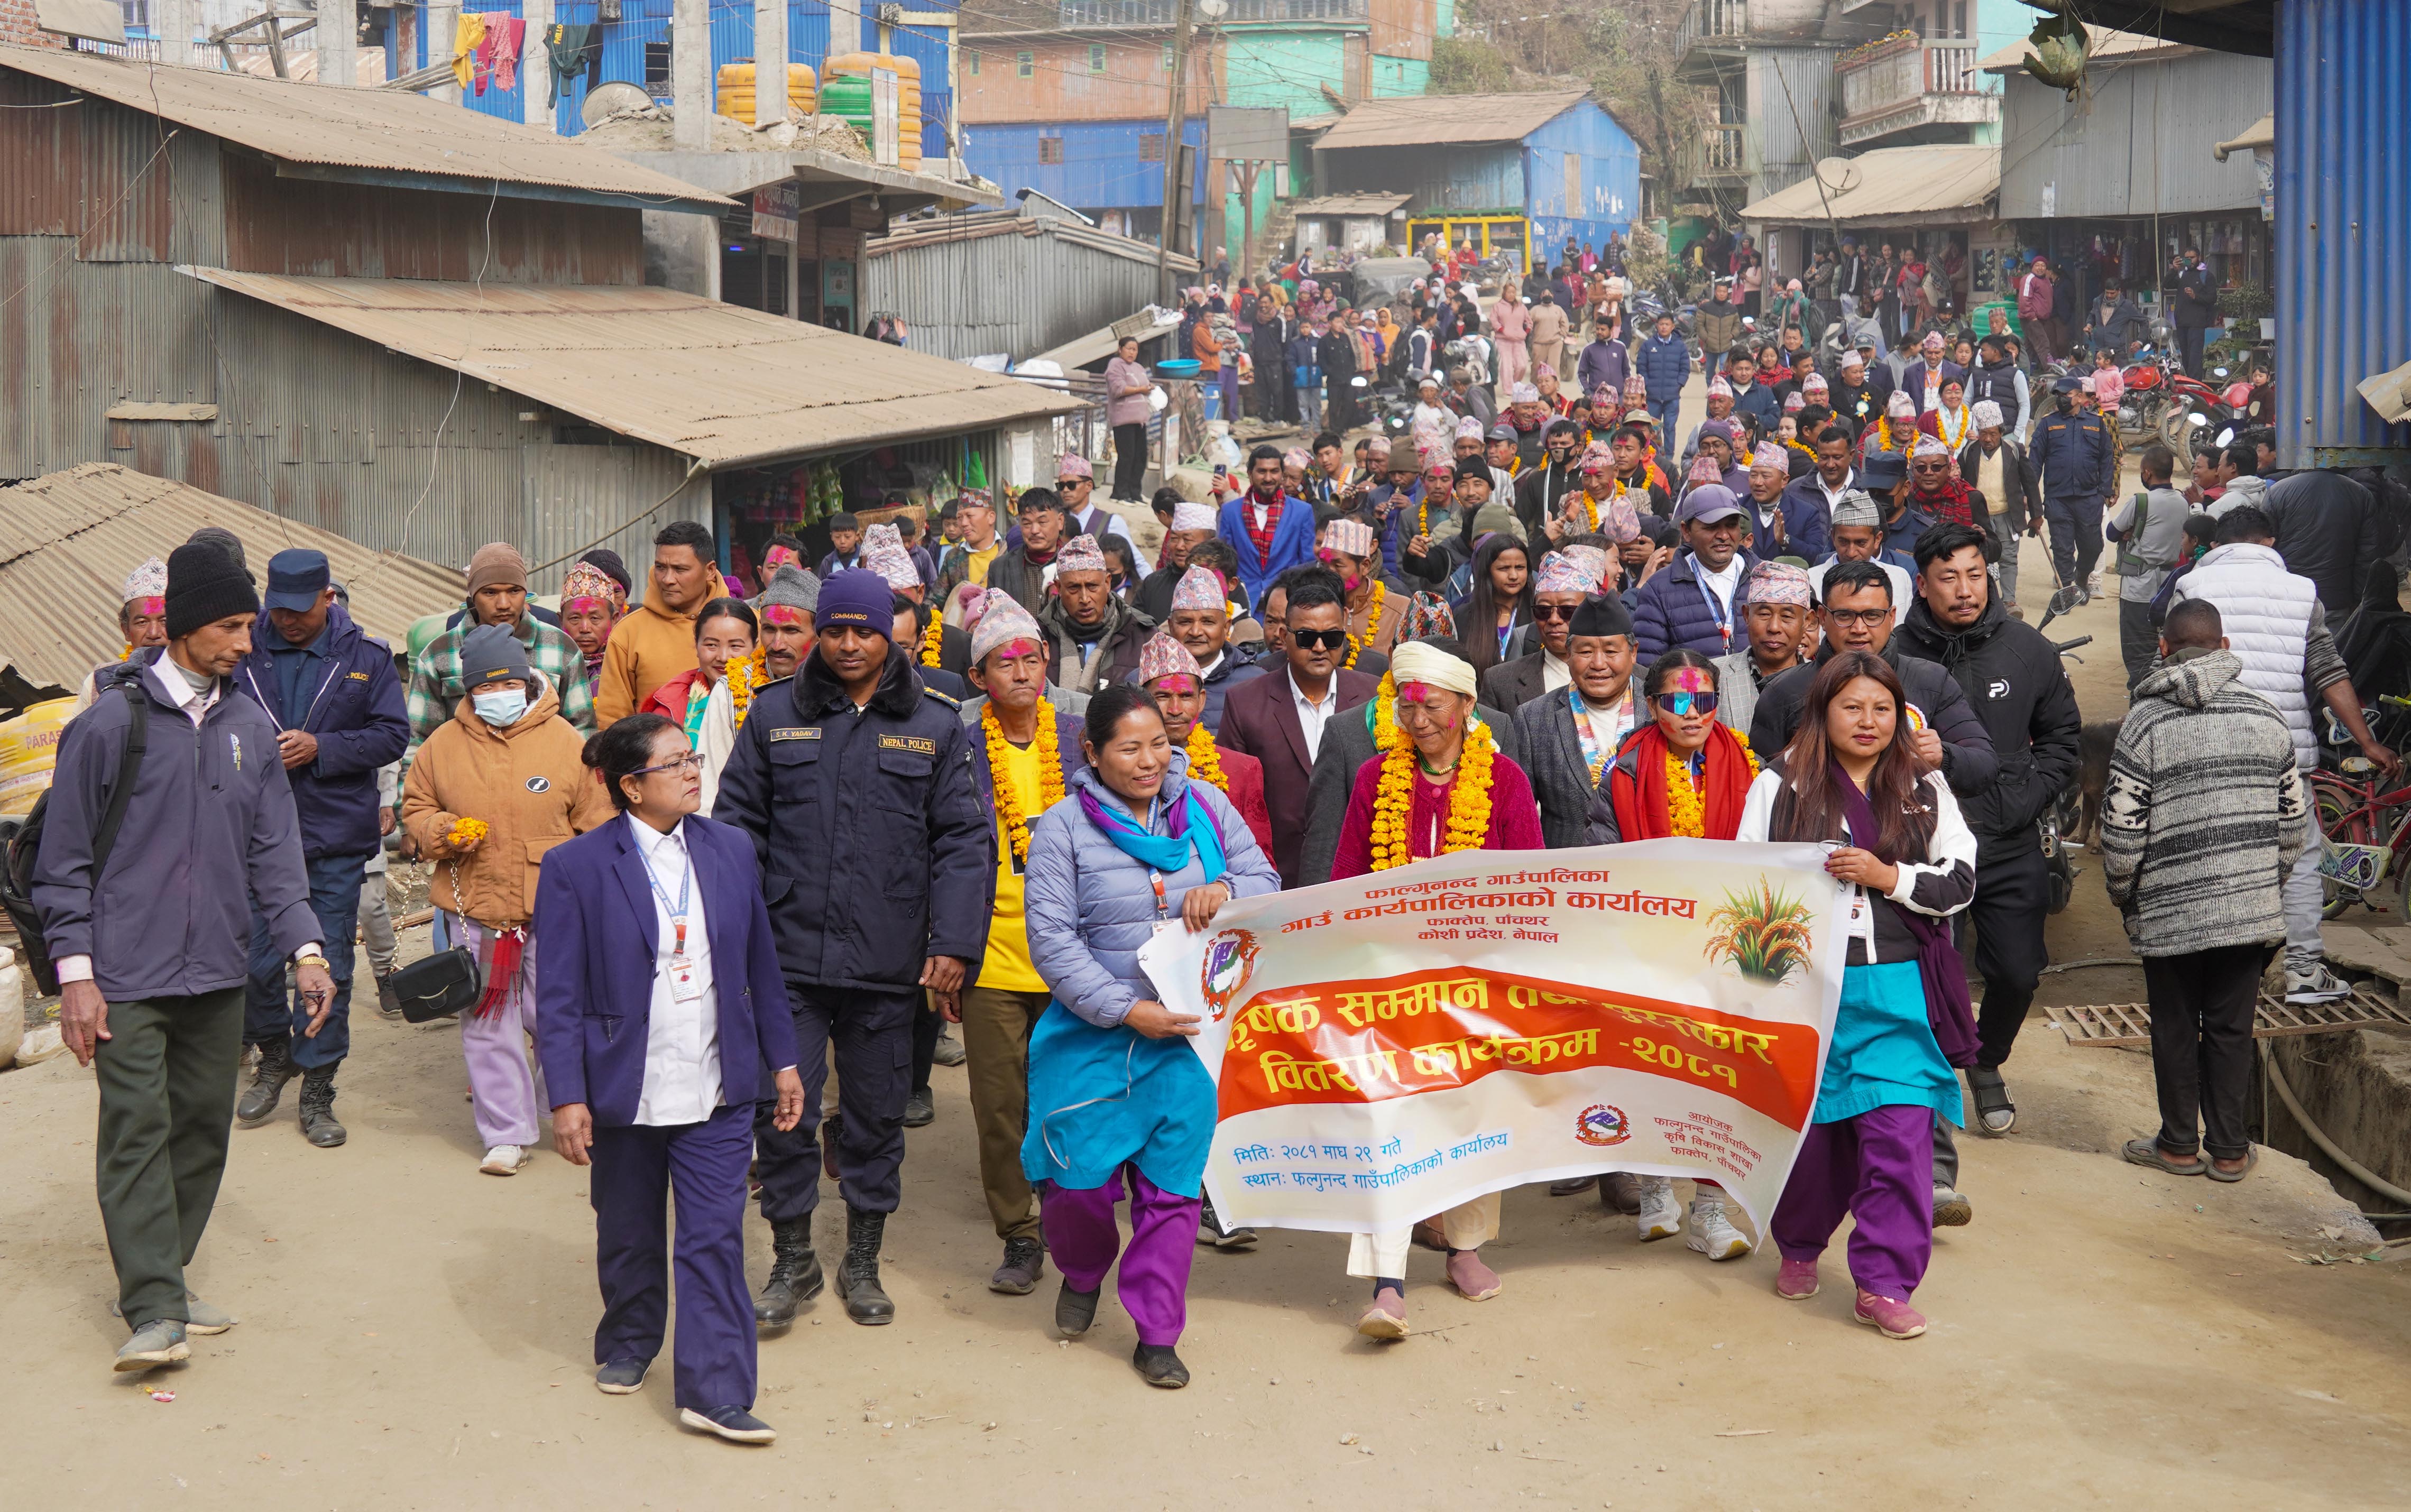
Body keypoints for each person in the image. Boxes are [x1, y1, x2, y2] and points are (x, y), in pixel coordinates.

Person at [34, 542, 338, 1372]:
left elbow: (276, 855)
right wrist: (76, 979)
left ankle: (162, 1275)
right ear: (183, 627)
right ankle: (155, 1306)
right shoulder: (108, 726)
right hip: (124, 977)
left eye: (249, 626)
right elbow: (61, 866)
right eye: (232, 626)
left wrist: (306, 951)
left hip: (218, 971)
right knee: (136, 1130)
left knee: (203, 1132)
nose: (248, 642)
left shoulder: (247, 724)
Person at [713, 570, 991, 1328]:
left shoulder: (935, 725)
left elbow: (964, 843)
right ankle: (794, 1258)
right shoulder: (774, 716)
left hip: (888, 962)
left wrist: (953, 942)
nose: (846, 644)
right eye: (832, 630)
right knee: (785, 1112)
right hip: (787, 960)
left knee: (873, 1116)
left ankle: (862, 1259)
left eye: (862, 631)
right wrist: (738, 934)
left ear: (887, 634)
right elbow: (736, 826)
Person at [530, 714, 804, 1444]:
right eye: (675, 763)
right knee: (627, 1230)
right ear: (630, 786)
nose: (693, 772)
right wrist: (566, 1095)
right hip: (625, 1084)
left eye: (692, 759)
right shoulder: (577, 868)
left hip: (716, 1082)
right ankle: (628, 1338)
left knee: (714, 1236)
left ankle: (715, 1392)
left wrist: (782, 1061)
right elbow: (556, 994)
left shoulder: (729, 849)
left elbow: (760, 970)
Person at [1022, 683, 1281, 1386]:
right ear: (1093, 754)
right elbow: (1052, 942)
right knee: (1077, 1186)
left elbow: (1265, 876)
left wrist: (1228, 890)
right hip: (1094, 1035)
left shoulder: (1205, 807)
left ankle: (1157, 1331)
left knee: (1172, 1195)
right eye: (1130, 748)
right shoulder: (1063, 828)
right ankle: (1081, 1271)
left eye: (1160, 745)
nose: (1149, 761)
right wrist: (1123, 1010)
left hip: (1190, 1037)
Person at [1746, 652, 1980, 1340]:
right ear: (1823, 711)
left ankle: (1882, 1283)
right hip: (1807, 991)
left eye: (1882, 708)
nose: (1869, 722)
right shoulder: (1779, 783)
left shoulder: (1925, 786)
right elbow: (1742, 887)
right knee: (1817, 1143)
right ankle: (1798, 1242)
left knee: (1901, 1138)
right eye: (1852, 707)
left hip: (1898, 993)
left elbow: (1961, 880)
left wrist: (1889, 876)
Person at [1330, 642, 1545, 1336]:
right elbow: (1346, 876)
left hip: (1474, 982)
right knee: (1387, 1118)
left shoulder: (1504, 779)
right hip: (1389, 981)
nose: (1418, 718)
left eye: (1432, 705)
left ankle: (1465, 1249)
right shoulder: (1373, 778)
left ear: (1466, 708)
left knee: (1473, 1115)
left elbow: (1527, 880)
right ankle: (1387, 1279)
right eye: (1407, 704)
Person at [1893, 523, 2081, 1169]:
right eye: (1949, 577)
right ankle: (1925, 1091)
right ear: (1923, 584)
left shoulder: (2027, 650)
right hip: (1920, 848)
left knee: (2019, 971)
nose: (1965, 589)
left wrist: (2027, 798)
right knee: (1925, 975)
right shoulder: (1893, 657)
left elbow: (2062, 740)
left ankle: (1987, 1058)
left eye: (1975, 574)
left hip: (2005, 840)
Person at [2103, 600, 2306, 1184]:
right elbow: (2293, 823)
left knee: (2173, 1025)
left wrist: (2127, 896)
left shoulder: (2144, 724)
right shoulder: (2268, 718)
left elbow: (2121, 831)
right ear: (2224, 646)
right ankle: (2232, 1149)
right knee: (2231, 1027)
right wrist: (2266, 885)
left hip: (2168, 914)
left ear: (2163, 649)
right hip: (2250, 912)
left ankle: (2176, 1146)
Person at [402, 622, 613, 1176]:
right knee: (488, 1020)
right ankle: (506, 1132)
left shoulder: (568, 741)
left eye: (507, 686)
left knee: (555, 1014)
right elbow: (416, 809)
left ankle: (565, 1105)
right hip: (475, 906)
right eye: (485, 690)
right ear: (469, 692)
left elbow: (598, 824)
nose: (498, 697)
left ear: (526, 680)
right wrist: (442, 830)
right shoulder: (440, 748)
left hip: (554, 909)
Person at [2168, 508, 2399, 1004]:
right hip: (2284, 754)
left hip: (2208, 747)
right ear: (2270, 541)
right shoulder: (2301, 591)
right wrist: (2368, 742)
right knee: (2299, 860)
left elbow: (2168, 664)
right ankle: (2303, 970)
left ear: (2221, 543)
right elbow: (2329, 673)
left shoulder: (2192, 584)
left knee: (2212, 854)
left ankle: (2212, 970)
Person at [1579, 649, 1762, 1259]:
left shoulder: (1750, 769)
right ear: (1651, 704)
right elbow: (1604, 863)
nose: (1691, 713)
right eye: (1677, 701)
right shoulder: (1621, 770)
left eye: (1704, 700)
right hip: (1646, 950)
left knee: (1721, 1081)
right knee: (1651, 1071)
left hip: (1728, 954)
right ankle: (1656, 1190)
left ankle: (1711, 1209)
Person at [228, 548, 409, 1148]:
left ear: (328, 599)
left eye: (300, 611)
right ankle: (276, 1054)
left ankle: (318, 1088)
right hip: (255, 837)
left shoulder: (366, 657)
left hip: (333, 837)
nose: (288, 621)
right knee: (251, 962)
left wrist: (323, 748)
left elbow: (391, 734)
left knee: (326, 963)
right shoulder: (242, 650)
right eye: (277, 610)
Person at [951, 591, 1090, 1295]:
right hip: (993, 954)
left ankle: (1073, 1228)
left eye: (1033, 658)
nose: (1022, 671)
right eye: (1005, 663)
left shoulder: (1081, 734)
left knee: (1069, 1100)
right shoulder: (957, 741)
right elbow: (939, 849)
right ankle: (1019, 1234)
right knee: (1000, 1105)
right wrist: (944, 949)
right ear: (980, 678)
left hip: (1076, 956)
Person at [1750, 561, 1999, 804]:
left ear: (1892, 617)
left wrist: (1944, 757)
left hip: (1909, 838)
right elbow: (1762, 786)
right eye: (1845, 615)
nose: (1859, 628)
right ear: (1823, 617)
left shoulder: (1932, 681)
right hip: (1814, 840)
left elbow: (1984, 766)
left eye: (1872, 615)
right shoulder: (1783, 691)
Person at [1215, 572, 1382, 887]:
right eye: (1307, 637)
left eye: (1332, 637)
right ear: (1284, 635)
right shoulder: (1245, 702)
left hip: (1359, 874)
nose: (1320, 647)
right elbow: (1231, 797)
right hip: (1275, 875)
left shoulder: (1374, 697)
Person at [406, 542, 596, 768]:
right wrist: (411, 801)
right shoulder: (438, 655)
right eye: (490, 593)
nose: (504, 604)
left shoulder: (561, 648)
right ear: (473, 596)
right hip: (464, 788)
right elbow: (418, 742)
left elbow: (583, 733)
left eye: (514, 591)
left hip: (546, 788)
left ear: (526, 594)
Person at [1515, 591, 1640, 848]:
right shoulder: (1534, 718)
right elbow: (1521, 816)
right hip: (1566, 875)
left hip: (1646, 868)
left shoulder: (1658, 708)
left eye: (1610, 651)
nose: (1598, 663)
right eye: (1584, 651)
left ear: (1633, 652)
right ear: (1569, 653)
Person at [597, 522, 729, 725]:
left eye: (680, 569)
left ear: (710, 570)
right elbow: (611, 720)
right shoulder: (629, 632)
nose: (667, 579)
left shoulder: (747, 625)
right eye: (660, 567)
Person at [1632, 486, 1757, 661]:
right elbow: (1649, 668)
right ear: (1686, 531)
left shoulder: (1763, 578)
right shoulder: (1658, 590)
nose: (1723, 535)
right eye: (1712, 527)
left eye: (1731, 525)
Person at [2104, 445, 2191, 690]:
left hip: (2138, 589)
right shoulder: (2183, 502)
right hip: (2169, 586)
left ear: (2147, 473)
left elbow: (2112, 533)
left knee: (2137, 651)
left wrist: (2130, 533)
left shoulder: (2142, 501)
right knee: (2164, 649)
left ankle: (2139, 700)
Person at [2030, 376, 2115, 605]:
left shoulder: (2096, 424)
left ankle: (2082, 577)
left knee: (2093, 546)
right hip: (2058, 499)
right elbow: (2035, 463)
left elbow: (2107, 458)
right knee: (2062, 548)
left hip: (2089, 498)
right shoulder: (2047, 424)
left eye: (2066, 396)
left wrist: (2106, 490)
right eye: (2057, 396)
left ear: (2080, 397)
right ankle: (2067, 592)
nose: (2061, 400)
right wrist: (2030, 497)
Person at [1036, 534, 1153, 696]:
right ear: (1059, 587)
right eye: (1073, 588)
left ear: (1107, 583)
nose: (1085, 599)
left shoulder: (1141, 634)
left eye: (1092, 586)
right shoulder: (1038, 635)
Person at [1158, 563, 1264, 734]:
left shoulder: (1257, 684)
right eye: (1185, 622)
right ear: (1171, 626)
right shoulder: (1145, 682)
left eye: (1208, 622)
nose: (1196, 632)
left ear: (1226, 627)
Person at [1957, 401, 2041, 614]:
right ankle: (1987, 600)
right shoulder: (1969, 453)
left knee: (2008, 558)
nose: (1987, 439)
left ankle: (2010, 601)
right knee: (1978, 557)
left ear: (2001, 432)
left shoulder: (2014, 450)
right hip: (1977, 517)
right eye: (1983, 433)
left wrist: (2037, 513)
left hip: (2006, 515)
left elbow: (2030, 483)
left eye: (1993, 434)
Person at [1479, 549, 1589, 712]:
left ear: (1590, 611)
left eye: (1567, 610)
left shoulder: (1629, 675)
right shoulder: (1500, 682)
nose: (1554, 619)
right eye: (1543, 611)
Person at [1716, 560, 1814, 736]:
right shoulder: (1714, 676)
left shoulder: (1824, 680)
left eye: (1787, 616)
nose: (1774, 627)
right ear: (1746, 615)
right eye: (1764, 614)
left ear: (1807, 621)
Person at [1218, 445, 1317, 605]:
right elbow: (1224, 563)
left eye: (1274, 471)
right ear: (1250, 474)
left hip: (1286, 603)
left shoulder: (1302, 512)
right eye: (1262, 471)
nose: (1269, 478)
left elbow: (1308, 564)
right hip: (1242, 603)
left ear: (1282, 475)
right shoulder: (1231, 511)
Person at [74, 557, 171, 710]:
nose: (153, 633)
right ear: (126, 630)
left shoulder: (200, 678)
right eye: (142, 623)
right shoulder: (99, 683)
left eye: (164, 622)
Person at [1810, 491, 1916, 622]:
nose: (1851, 552)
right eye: (1843, 542)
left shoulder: (1899, 578)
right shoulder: (1810, 580)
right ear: (1833, 537)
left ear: (1877, 540)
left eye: (1861, 543)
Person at [1458, 534, 1535, 678]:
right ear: (1487, 572)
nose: (1513, 575)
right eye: (1504, 568)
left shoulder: (1540, 613)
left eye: (1520, 568)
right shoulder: (1465, 617)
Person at [1054, 454, 1144, 568]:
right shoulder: (1057, 521)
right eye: (1061, 486)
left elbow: (1137, 562)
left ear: (1089, 486)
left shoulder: (1111, 523)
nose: (1065, 490)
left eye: (1071, 485)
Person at [559, 558, 629, 703]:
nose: (585, 629)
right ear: (561, 620)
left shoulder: (626, 665)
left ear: (614, 619)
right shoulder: (550, 667)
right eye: (575, 619)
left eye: (595, 618)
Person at [936, 492, 1008, 604]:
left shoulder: (1010, 550)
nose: (963, 523)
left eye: (970, 516)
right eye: (959, 517)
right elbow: (937, 598)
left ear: (991, 517)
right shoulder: (953, 557)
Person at [1635, 310, 1689, 439]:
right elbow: (1641, 367)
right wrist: (1647, 384)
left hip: (1673, 397)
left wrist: (1679, 384)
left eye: (1667, 324)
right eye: (1661, 324)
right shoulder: (1648, 345)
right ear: (1657, 326)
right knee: (1653, 428)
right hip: (1653, 397)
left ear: (1673, 327)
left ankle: (1670, 457)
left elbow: (1685, 368)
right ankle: (1655, 456)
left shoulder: (1680, 346)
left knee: (1670, 427)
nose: (1664, 327)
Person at [2168, 247, 2215, 375]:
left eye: (2192, 258)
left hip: (2197, 322)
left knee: (2195, 357)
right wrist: (2174, 269)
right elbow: (2167, 284)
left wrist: (2196, 297)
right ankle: (2188, 382)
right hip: (2182, 321)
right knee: (2186, 356)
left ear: (2199, 258)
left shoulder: (2206, 275)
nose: (2190, 261)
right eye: (2187, 259)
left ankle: (2195, 385)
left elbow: (2212, 298)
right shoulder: (2183, 274)